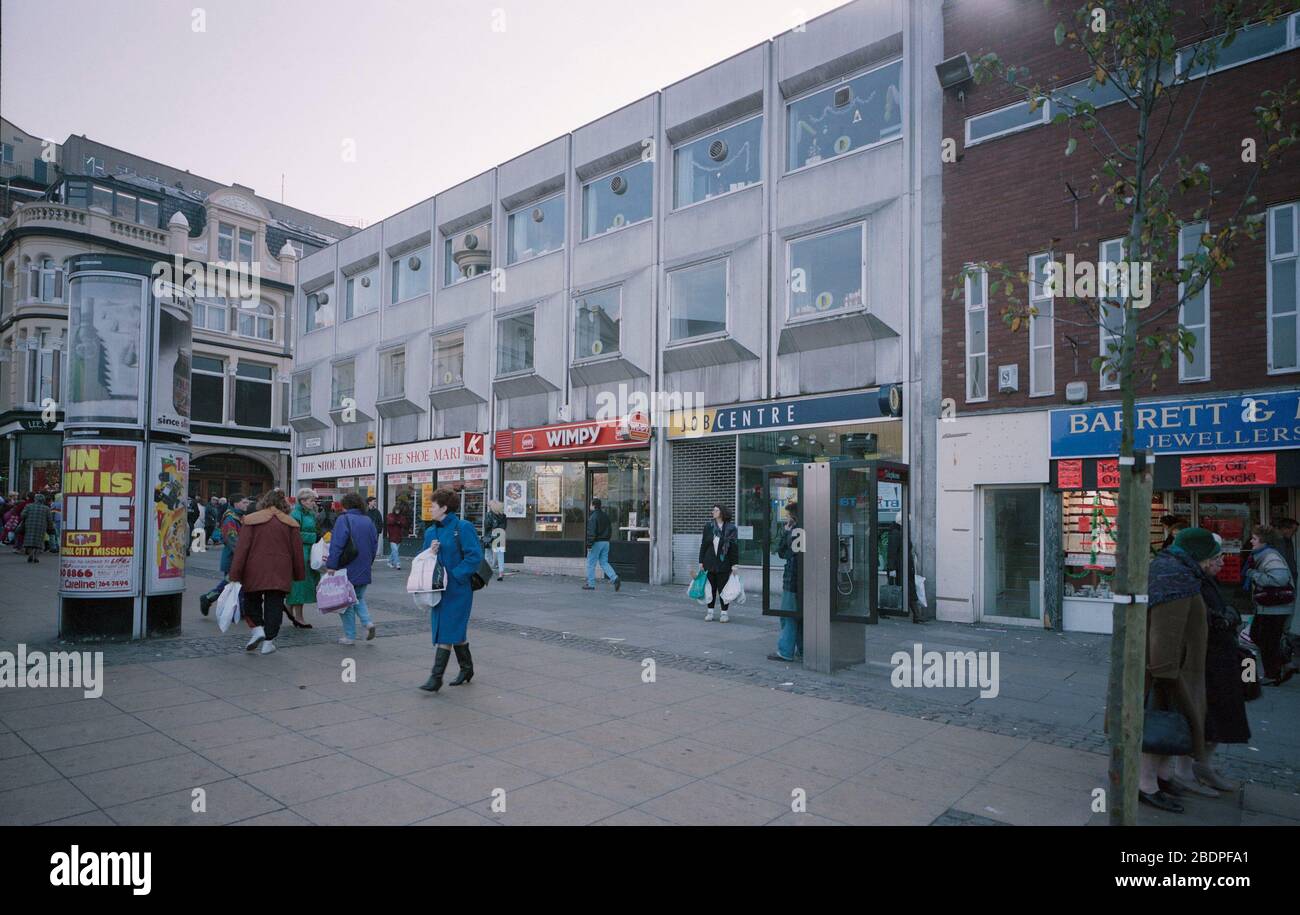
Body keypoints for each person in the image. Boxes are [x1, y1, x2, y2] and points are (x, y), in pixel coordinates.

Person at [1140, 528, 1211, 813]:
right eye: (1211, 557)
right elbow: (1165, 631)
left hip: (1175, 669)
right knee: (1160, 726)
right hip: (1168, 672)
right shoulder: (1174, 575)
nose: (1212, 563)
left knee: (1169, 725)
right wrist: (1166, 674)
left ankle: (1163, 776)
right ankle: (1146, 784)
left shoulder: (1178, 570)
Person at [1184, 529, 1249, 793]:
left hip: (1219, 657)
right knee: (1205, 715)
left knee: (1219, 715)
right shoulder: (1192, 580)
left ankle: (1201, 766)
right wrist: (1223, 619)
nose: (1222, 563)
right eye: (1217, 557)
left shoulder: (1204, 579)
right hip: (1205, 659)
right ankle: (1192, 769)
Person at [418, 488, 484, 692]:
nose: (430, 509)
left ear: (444, 508)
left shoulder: (462, 527)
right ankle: (467, 668)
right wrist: (431, 551)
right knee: (453, 629)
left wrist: (455, 575)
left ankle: (435, 678)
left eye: (433, 506)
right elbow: (423, 558)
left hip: (458, 590)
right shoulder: (431, 531)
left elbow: (475, 556)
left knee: (448, 630)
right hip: (438, 588)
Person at [228, 489, 305, 655]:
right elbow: (297, 552)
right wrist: (298, 574)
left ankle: (257, 629)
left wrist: (235, 573)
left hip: (254, 568)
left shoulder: (251, 520)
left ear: (263, 502)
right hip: (280, 570)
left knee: (251, 600)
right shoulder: (290, 523)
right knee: (275, 605)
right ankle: (269, 642)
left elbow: (242, 549)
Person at [1243, 525, 1295, 685]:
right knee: (1259, 637)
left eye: (1254, 538)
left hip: (1274, 607)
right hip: (1268, 606)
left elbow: (1280, 579)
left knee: (1266, 640)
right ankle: (1284, 664)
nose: (1251, 541)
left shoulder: (1270, 556)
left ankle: (1273, 674)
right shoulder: (1262, 554)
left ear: (1264, 541)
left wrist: (1253, 574)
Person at [325, 492, 379, 646]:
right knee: (359, 597)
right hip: (363, 566)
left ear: (346, 505)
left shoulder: (344, 519)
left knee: (345, 602)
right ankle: (367, 622)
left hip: (346, 567)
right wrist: (369, 563)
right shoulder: (368, 521)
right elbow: (374, 544)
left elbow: (337, 544)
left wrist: (331, 565)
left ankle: (350, 636)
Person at [199, 493, 250, 616]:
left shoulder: (239, 517)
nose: (247, 505)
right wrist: (243, 554)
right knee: (229, 584)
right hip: (233, 558)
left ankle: (241, 610)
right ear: (236, 503)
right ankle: (208, 598)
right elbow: (232, 540)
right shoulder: (230, 518)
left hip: (238, 558)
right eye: (244, 502)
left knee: (235, 584)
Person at [769, 500, 803, 662]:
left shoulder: (796, 532)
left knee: (788, 616)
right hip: (802, 581)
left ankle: (785, 651)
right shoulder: (802, 530)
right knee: (801, 616)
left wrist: (785, 533)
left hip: (793, 580)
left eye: (789, 514)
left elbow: (782, 552)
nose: (787, 517)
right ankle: (803, 649)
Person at [698, 503, 739, 622]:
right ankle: (710, 612)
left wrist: (734, 564)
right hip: (709, 562)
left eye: (715, 510)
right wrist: (701, 561)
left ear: (721, 512)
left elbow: (734, 547)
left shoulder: (731, 528)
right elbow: (704, 545)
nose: (713, 512)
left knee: (723, 589)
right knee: (710, 589)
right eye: (713, 510)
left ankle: (724, 613)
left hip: (724, 563)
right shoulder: (709, 526)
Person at [286, 489, 320, 629]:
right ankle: (298, 616)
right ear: (303, 501)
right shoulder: (296, 514)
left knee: (305, 583)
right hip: (300, 552)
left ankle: (289, 608)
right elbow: (293, 534)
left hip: (309, 551)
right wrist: (313, 537)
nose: (313, 503)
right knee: (300, 583)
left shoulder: (310, 514)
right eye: (311, 500)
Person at [583, 498, 619, 592]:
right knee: (604, 562)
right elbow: (610, 529)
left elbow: (591, 532)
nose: (590, 506)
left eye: (590, 504)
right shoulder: (605, 515)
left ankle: (591, 584)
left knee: (591, 564)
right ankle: (614, 578)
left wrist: (589, 545)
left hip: (596, 543)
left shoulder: (593, 517)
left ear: (594, 505)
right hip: (606, 542)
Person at [19, 493, 54, 563]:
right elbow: (50, 519)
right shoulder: (46, 508)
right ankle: (36, 557)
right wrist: (51, 527)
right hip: (41, 526)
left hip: (29, 525)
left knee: (30, 540)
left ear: (35, 499)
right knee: (39, 541)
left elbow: (22, 515)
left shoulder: (28, 506)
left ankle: (30, 555)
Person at [484, 499, 507, 581]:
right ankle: (501, 572)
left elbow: (487, 526)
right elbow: (504, 527)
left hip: (490, 535)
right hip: (500, 535)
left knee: (488, 553)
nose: (488, 507)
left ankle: (487, 571)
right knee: (500, 554)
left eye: (489, 505)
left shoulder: (489, 515)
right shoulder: (503, 515)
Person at [385, 502, 409, 570]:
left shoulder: (401, 517)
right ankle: (398, 563)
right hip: (392, 536)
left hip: (399, 536)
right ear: (394, 510)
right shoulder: (390, 515)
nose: (397, 511)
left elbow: (404, 524)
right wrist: (397, 522)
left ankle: (389, 561)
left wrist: (399, 522)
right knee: (395, 550)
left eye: (398, 510)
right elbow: (390, 521)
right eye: (396, 510)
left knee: (394, 551)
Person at [366, 497, 384, 563]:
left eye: (375, 501)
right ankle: (367, 562)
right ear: (369, 502)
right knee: (367, 548)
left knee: (374, 548)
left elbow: (380, 521)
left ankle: (370, 562)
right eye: (374, 501)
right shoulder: (365, 512)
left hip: (375, 533)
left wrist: (379, 530)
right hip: (367, 533)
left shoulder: (377, 512)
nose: (375, 503)